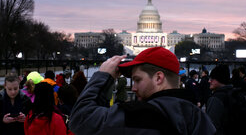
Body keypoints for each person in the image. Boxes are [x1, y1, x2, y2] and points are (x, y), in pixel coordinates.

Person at [69, 47, 216, 135]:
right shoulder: (201, 119)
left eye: (138, 80)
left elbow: (80, 119)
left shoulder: (139, 115)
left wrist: (102, 76)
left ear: (159, 78)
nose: (133, 88)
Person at [206, 64, 233, 135]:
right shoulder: (232, 93)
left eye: (212, 78)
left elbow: (210, 127)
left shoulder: (216, 99)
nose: (209, 81)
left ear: (220, 79)